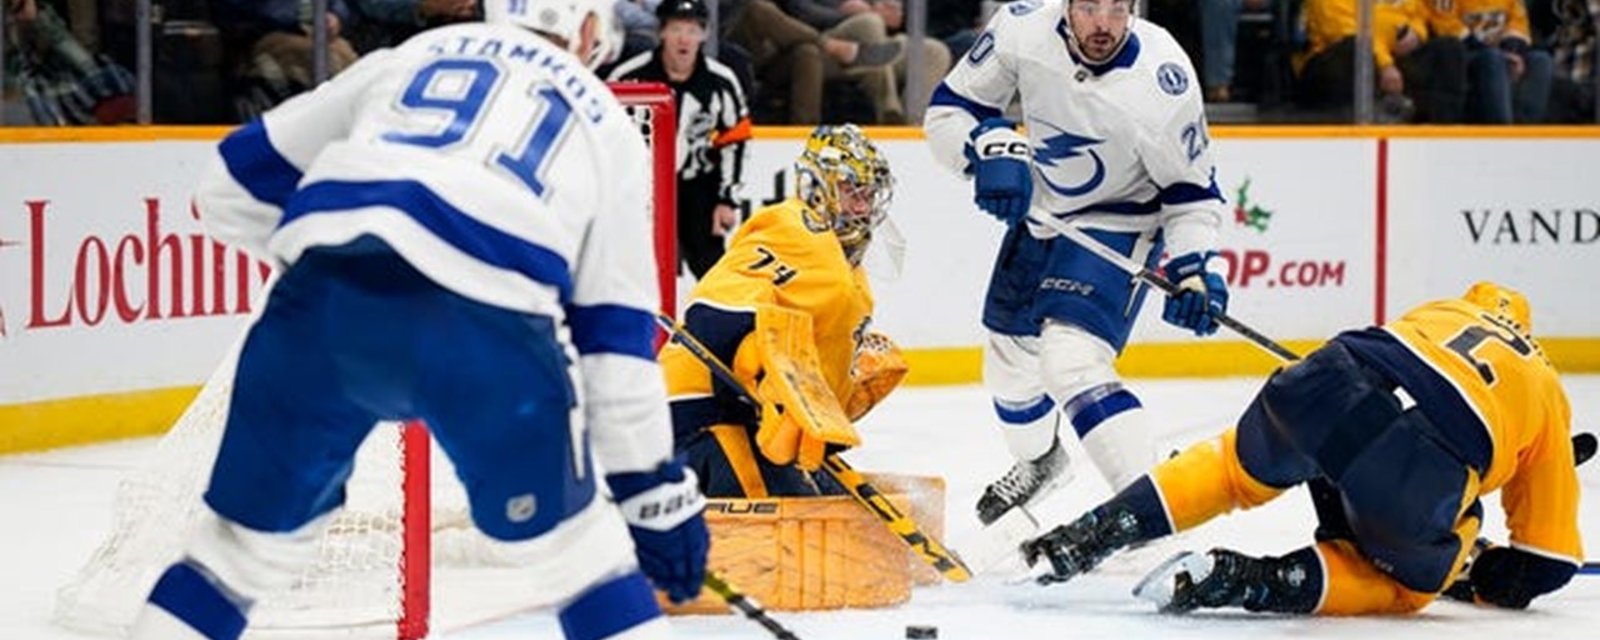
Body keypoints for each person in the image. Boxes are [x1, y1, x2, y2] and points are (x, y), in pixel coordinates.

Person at [128, 1, 710, 638]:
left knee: (232, 557)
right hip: (486, 333)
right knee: (583, 561)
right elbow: (615, 347)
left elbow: (230, 184)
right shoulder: (606, 123)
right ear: (590, 29)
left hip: (321, 307)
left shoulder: (410, 56)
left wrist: (335, 262)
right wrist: (652, 493)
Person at [1022, 282, 1584, 616]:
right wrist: (1473, 560)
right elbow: (1544, 567)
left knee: (1230, 466)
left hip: (1331, 376)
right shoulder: (1549, 397)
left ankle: (1092, 531)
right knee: (1408, 587)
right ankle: (1249, 580)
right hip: (1415, 461)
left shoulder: (1449, 311)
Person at [923, 0, 1230, 527]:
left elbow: (1192, 196)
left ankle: (1155, 513)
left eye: (1117, 8)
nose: (1104, 24)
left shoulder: (1162, 78)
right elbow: (949, 111)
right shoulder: (1022, 29)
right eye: (1090, 8)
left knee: (1070, 360)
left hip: (1121, 223)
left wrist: (1196, 269)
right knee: (1008, 367)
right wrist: (987, 147)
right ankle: (1042, 462)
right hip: (1042, 213)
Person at [659, 123, 904, 498]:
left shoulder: (853, 278)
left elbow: (809, 404)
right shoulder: (791, 227)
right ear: (818, 188)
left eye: (868, 194)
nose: (861, 206)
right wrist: (758, 362)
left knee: (835, 509)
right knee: (798, 515)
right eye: (849, 190)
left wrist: (846, 392)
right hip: (694, 418)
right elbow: (709, 316)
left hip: (748, 426)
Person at [610, 0, 753, 279]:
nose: (684, 38)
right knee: (640, 270)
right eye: (676, 29)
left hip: (699, 188)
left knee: (715, 276)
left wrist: (727, 199)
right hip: (645, 190)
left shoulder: (721, 81)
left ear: (703, 35)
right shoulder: (629, 76)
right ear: (662, 32)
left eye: (692, 30)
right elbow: (610, 139)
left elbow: (735, 139)